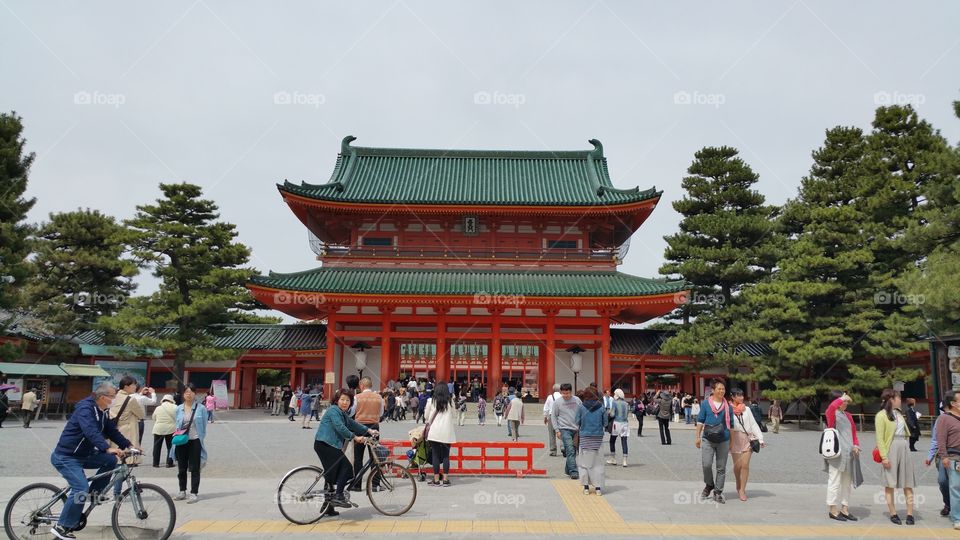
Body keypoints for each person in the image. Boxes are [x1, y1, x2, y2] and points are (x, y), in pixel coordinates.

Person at [49, 382, 136, 540]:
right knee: (80, 487)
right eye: (112, 396)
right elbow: (90, 430)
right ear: (102, 397)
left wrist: (128, 445)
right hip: (66, 456)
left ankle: (93, 494)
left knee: (110, 461)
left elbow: (112, 431)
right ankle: (61, 526)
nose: (114, 399)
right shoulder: (85, 409)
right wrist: (106, 447)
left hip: (85, 454)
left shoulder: (103, 411)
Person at [315, 388, 379, 508]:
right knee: (347, 468)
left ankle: (328, 507)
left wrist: (369, 430)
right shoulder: (334, 410)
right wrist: (355, 437)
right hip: (325, 444)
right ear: (337, 401)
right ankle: (339, 496)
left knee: (332, 474)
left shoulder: (342, 413)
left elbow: (352, 423)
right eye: (342, 399)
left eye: (347, 400)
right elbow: (340, 427)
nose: (345, 402)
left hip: (330, 445)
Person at [875, 388, 916, 525]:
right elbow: (880, 439)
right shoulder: (881, 415)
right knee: (889, 483)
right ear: (892, 399)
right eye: (899, 397)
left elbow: (905, 432)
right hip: (891, 447)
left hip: (903, 446)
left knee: (908, 482)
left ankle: (910, 514)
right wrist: (884, 457)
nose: (901, 400)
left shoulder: (899, 414)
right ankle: (893, 513)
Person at [823, 392, 863, 521]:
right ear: (837, 401)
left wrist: (856, 445)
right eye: (844, 401)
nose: (846, 403)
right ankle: (833, 509)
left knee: (847, 483)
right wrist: (842, 398)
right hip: (836, 453)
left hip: (849, 453)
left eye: (846, 401)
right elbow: (830, 408)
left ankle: (845, 508)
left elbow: (853, 433)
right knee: (834, 481)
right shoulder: (831, 415)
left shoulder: (849, 416)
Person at [696, 379, 734, 504]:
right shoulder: (706, 404)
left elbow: (731, 425)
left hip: (724, 439)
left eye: (723, 389)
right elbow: (700, 420)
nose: (722, 391)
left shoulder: (728, 406)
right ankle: (709, 484)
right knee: (706, 464)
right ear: (713, 390)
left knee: (721, 467)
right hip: (708, 438)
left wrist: (732, 441)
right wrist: (697, 437)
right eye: (719, 388)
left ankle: (718, 492)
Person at [172, 383, 208, 504]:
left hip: (195, 440)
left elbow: (203, 424)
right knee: (181, 467)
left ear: (195, 393)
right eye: (186, 392)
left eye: (191, 391)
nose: (189, 394)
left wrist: (200, 437)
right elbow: (176, 424)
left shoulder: (201, 408)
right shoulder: (178, 409)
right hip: (181, 441)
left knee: (195, 467)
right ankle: (182, 491)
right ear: (183, 394)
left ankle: (194, 492)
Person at [728, 389, 765, 501]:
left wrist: (760, 438)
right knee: (737, 466)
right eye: (738, 396)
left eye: (742, 395)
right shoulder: (728, 409)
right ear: (733, 397)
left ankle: (742, 490)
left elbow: (753, 424)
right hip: (734, 439)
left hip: (747, 439)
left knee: (745, 465)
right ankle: (738, 483)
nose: (741, 398)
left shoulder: (747, 409)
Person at [349, 377, 383, 492]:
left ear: (361, 386)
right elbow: (381, 413)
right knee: (375, 457)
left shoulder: (357, 397)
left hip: (360, 428)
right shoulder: (379, 397)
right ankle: (375, 484)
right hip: (374, 428)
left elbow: (352, 412)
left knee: (358, 458)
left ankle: (357, 485)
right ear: (370, 385)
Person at [109, 376, 146, 478]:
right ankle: (117, 492)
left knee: (116, 461)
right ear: (126, 387)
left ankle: (115, 490)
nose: (135, 386)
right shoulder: (130, 400)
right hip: (127, 434)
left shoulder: (113, 397)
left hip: (114, 431)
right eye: (133, 385)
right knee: (123, 462)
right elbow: (142, 414)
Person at [576, 386, 607, 495]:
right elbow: (606, 423)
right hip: (597, 438)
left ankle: (586, 487)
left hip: (584, 437)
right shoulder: (602, 407)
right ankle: (598, 488)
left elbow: (577, 421)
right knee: (597, 463)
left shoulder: (581, 407)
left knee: (584, 463)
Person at [424, 383, 457, 486]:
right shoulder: (450, 401)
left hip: (434, 431)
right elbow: (454, 415)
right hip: (447, 431)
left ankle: (436, 480)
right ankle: (446, 480)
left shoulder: (431, 401)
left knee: (435, 455)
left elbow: (426, 416)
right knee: (446, 456)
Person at [936, 390, 960, 530]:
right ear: (953, 403)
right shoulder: (944, 418)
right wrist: (944, 456)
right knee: (956, 488)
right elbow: (940, 439)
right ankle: (957, 518)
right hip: (953, 457)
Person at [927, 401, 952, 518]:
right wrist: (930, 456)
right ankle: (948, 503)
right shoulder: (940, 420)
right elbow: (935, 440)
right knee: (942, 481)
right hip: (944, 455)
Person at [553, 383, 582, 479]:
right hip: (564, 429)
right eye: (563, 393)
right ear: (561, 392)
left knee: (573, 451)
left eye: (568, 393)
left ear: (571, 392)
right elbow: (553, 416)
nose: (566, 395)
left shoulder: (577, 400)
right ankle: (574, 471)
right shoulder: (557, 402)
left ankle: (567, 469)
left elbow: (582, 412)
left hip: (576, 429)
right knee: (570, 449)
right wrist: (557, 430)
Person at [152, 394, 177, 468]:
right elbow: (178, 418)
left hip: (158, 428)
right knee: (170, 446)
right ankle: (169, 463)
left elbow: (154, 417)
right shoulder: (175, 407)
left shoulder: (158, 408)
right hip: (171, 429)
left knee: (157, 446)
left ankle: (155, 463)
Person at [607, 389, 630, 467]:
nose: (614, 395)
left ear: (617, 394)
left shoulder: (614, 402)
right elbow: (627, 414)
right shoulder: (626, 403)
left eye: (614, 394)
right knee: (624, 441)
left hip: (617, 423)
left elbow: (612, 414)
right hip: (625, 423)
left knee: (612, 441)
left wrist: (609, 412)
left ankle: (613, 458)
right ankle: (625, 461)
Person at [543, 384, 561, 456]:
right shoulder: (562, 397)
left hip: (551, 416)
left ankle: (553, 450)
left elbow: (546, 408)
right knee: (562, 431)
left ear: (553, 389)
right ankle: (563, 447)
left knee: (551, 434)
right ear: (560, 389)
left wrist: (545, 417)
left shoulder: (550, 397)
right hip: (561, 417)